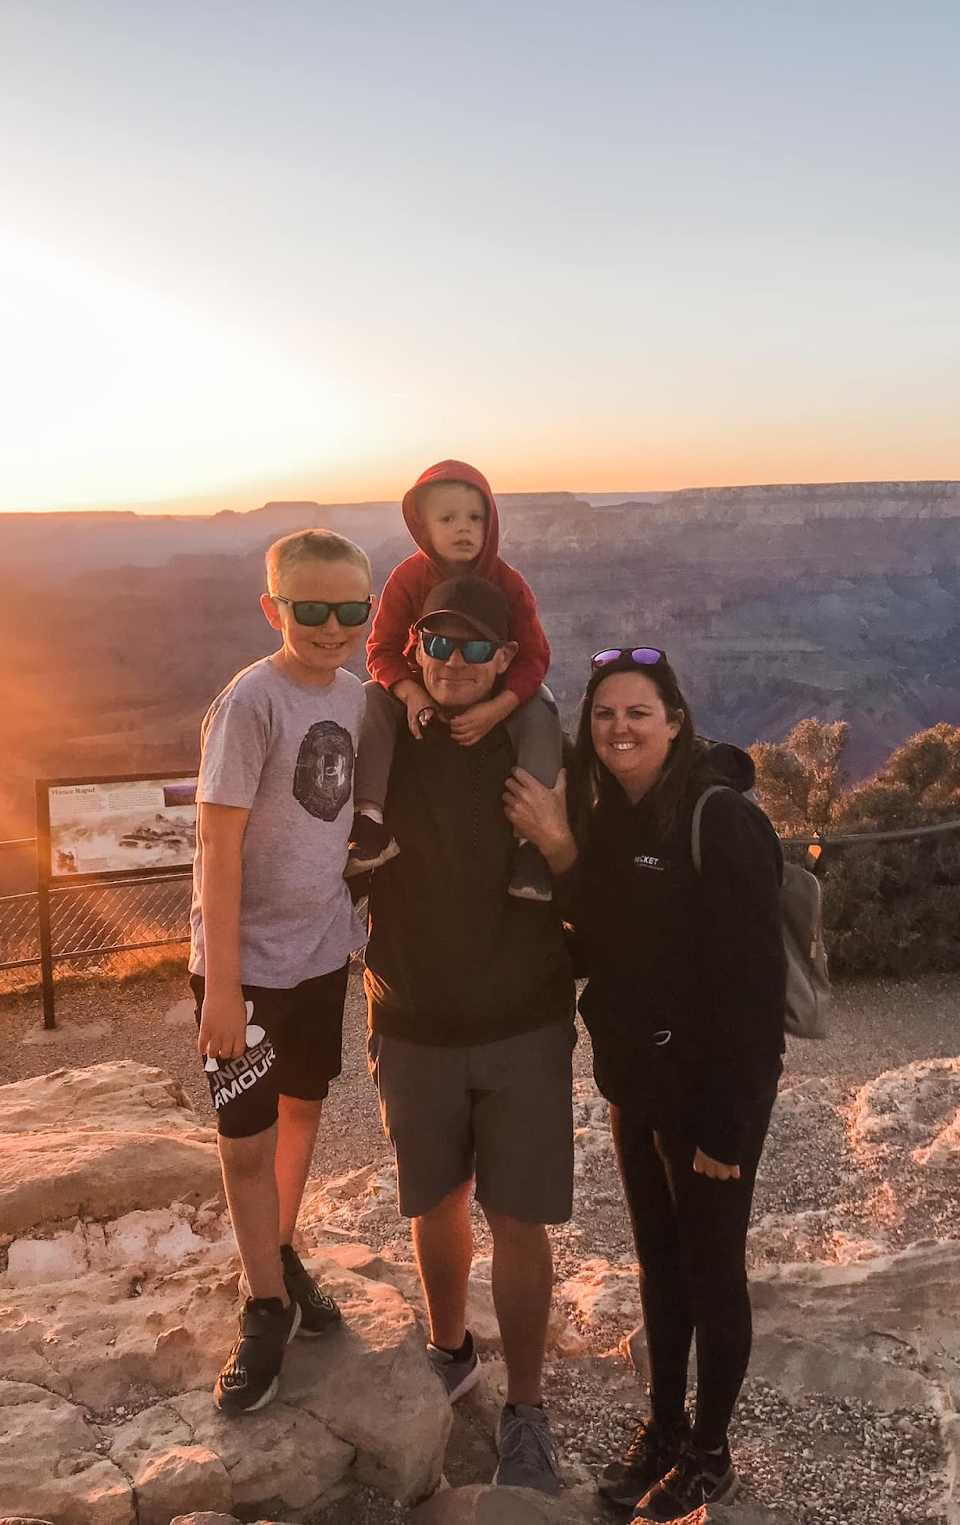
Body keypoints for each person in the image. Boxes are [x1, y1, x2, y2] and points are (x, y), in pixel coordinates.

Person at [504, 648, 786, 1524]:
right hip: (637, 1083)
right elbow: (612, 941)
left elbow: (753, 995)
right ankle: (665, 1429)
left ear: (675, 722)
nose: (619, 729)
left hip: (709, 1095)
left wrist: (728, 1131)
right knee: (661, 1269)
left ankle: (711, 1454)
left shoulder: (718, 820)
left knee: (713, 1273)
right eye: (604, 715)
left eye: (638, 713)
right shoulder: (614, 814)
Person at [361, 576, 576, 1493]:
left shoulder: (535, 740)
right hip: (412, 1015)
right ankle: (451, 1353)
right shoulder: (385, 731)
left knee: (518, 1219)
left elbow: (589, 874)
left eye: (475, 646)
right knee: (435, 1202)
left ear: (506, 658)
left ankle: (525, 1409)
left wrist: (558, 846)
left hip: (524, 1019)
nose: (454, 662)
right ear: (413, 649)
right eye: (437, 644)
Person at [187, 528, 374, 1414]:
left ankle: (281, 1248)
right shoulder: (251, 701)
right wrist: (223, 987)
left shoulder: (359, 699)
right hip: (248, 967)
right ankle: (264, 1306)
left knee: (303, 1106)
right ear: (274, 608)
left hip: (321, 952)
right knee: (245, 1139)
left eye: (351, 609)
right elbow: (216, 848)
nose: (332, 626)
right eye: (312, 609)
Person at [348, 459, 561, 900]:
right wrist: (411, 694)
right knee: (370, 696)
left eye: (475, 517)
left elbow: (534, 655)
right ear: (423, 526)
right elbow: (381, 650)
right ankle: (369, 823)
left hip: (495, 691)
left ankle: (530, 847)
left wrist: (497, 709)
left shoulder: (508, 582)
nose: (463, 528)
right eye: (447, 519)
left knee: (540, 703)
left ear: (490, 522)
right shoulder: (408, 577)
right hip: (419, 685)